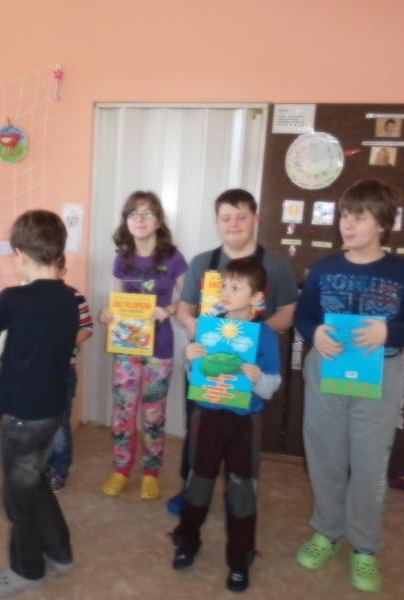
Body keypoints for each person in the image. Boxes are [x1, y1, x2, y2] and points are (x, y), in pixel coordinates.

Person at [293, 179, 404, 593]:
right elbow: (305, 316)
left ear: (382, 225)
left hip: (379, 376)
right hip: (327, 372)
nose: (348, 224)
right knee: (325, 456)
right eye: (345, 215)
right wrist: (313, 333)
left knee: (370, 464)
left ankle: (364, 546)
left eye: (359, 217)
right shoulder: (325, 268)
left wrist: (389, 331)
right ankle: (326, 531)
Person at [168, 188, 297, 515]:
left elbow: (288, 312)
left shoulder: (277, 265)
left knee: (243, 438)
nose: (233, 224)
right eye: (226, 218)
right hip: (206, 364)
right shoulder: (202, 263)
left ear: (256, 218)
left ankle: (238, 494)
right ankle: (192, 490)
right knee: (199, 430)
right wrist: (194, 328)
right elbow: (184, 309)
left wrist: (254, 336)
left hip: (250, 369)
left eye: (241, 217)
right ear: (217, 222)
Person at [0, 210, 79, 597]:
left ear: (20, 254)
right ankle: (59, 551)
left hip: (22, 414)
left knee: (17, 497)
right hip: (53, 410)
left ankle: (27, 569)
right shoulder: (70, 299)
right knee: (35, 481)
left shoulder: (13, 298)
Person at [171, 257, 281, 593]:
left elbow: (271, 386)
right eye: (224, 286)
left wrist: (258, 378)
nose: (226, 293)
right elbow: (196, 374)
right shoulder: (208, 326)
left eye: (236, 287)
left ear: (256, 296)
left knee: (241, 489)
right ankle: (187, 541)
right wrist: (190, 358)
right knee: (198, 482)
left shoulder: (264, 335)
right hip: (207, 416)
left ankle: (240, 559)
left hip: (244, 422)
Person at [99, 191, 188, 500]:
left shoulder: (173, 257)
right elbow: (116, 302)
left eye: (147, 213)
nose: (139, 219)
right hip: (127, 346)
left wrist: (169, 310)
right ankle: (121, 469)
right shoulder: (122, 259)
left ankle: (151, 472)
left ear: (158, 221)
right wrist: (107, 314)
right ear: (126, 221)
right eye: (133, 214)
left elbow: (190, 300)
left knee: (153, 414)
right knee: (123, 412)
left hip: (160, 347)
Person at [45, 254, 94, 493]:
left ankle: (59, 468)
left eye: (54, 268)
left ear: (63, 271)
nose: (48, 273)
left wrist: (65, 343)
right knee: (39, 419)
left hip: (64, 370)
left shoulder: (74, 296)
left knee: (59, 420)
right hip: (36, 371)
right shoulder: (29, 296)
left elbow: (87, 327)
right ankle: (44, 464)